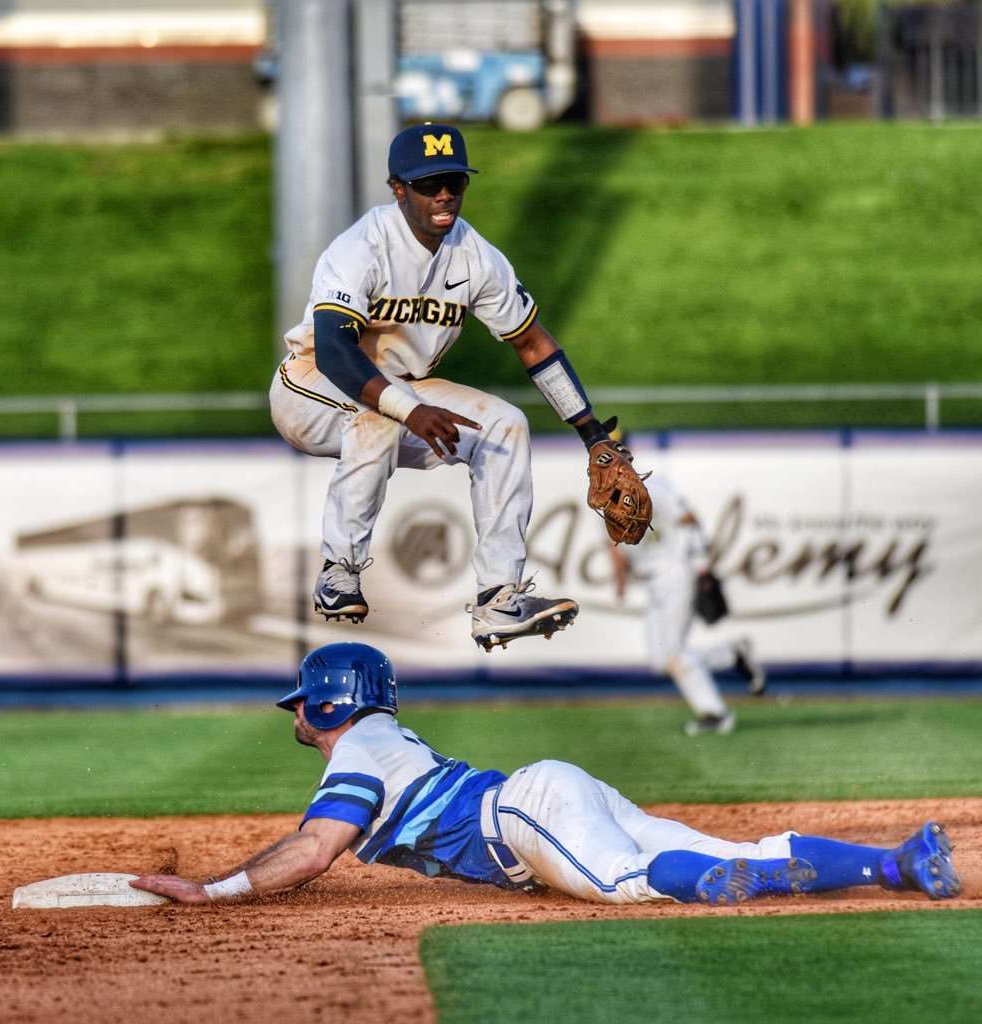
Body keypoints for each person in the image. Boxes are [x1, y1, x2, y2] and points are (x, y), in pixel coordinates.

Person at [131, 642, 961, 908]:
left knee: (636, 883)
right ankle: (897, 862)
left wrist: (215, 892)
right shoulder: (382, 737)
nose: (297, 716)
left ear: (327, 703)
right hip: (548, 795)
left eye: (302, 704)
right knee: (719, 844)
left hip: (525, 818)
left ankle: (737, 878)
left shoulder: (355, 752)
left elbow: (315, 852)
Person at [268, 122, 623, 651]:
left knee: (505, 425)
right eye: (428, 182)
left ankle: (497, 598)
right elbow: (339, 351)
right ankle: (339, 570)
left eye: (453, 181)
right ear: (398, 189)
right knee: (380, 415)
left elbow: (532, 344)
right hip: (311, 383)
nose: (443, 194)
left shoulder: (475, 255)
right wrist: (408, 410)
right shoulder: (363, 246)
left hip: (404, 388)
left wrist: (592, 433)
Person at [607, 466, 766, 736]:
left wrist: (702, 565)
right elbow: (611, 544)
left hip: (675, 574)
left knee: (672, 654)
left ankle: (715, 713)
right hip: (653, 581)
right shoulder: (601, 496)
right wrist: (620, 578)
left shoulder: (653, 487)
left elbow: (689, 520)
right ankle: (732, 653)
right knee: (660, 660)